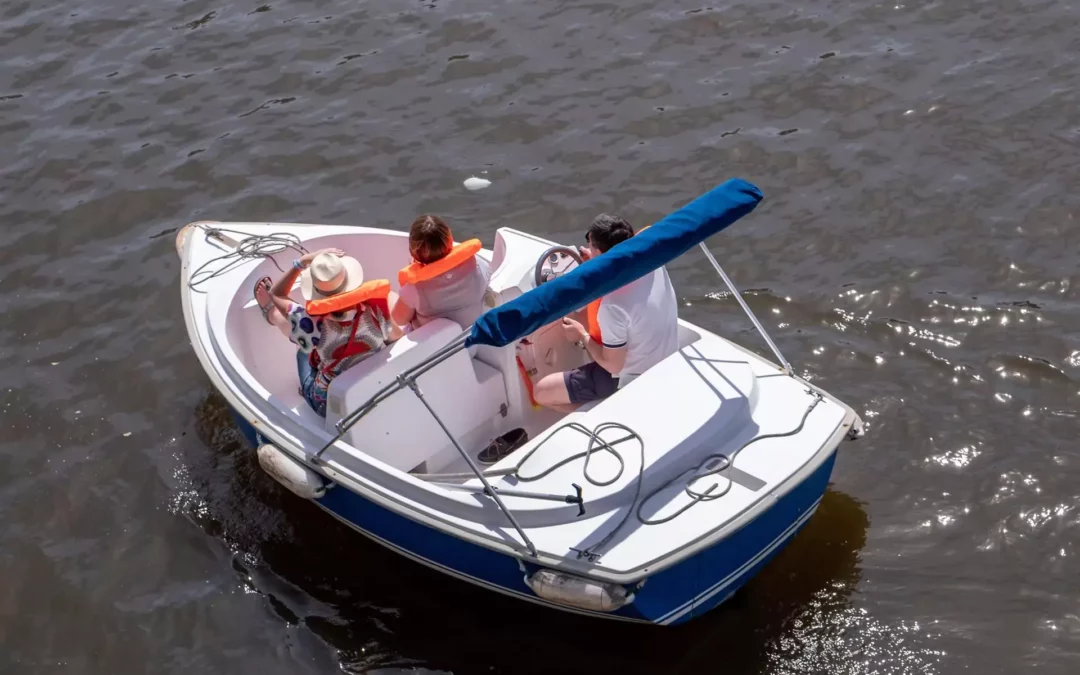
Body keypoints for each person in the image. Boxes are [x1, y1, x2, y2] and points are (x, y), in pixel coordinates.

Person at [532, 214, 679, 412]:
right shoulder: (653, 262)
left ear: (601, 253)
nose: (586, 247)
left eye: (590, 244)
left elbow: (613, 367)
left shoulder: (613, 305)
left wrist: (581, 335)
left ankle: (601, 412)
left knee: (541, 391)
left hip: (630, 378)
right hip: (665, 359)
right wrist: (595, 262)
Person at [254, 248, 400, 417]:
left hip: (328, 404)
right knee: (304, 335)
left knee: (302, 344)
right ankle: (275, 316)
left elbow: (276, 293)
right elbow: (396, 339)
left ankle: (272, 314)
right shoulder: (376, 309)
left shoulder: (312, 323)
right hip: (375, 386)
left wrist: (302, 262)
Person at [391, 215, 490, 331]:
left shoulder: (414, 288)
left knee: (389, 296)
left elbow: (399, 320)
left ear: (412, 253)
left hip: (437, 346)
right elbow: (488, 276)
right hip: (471, 337)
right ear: (450, 239)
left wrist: (413, 269)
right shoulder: (475, 263)